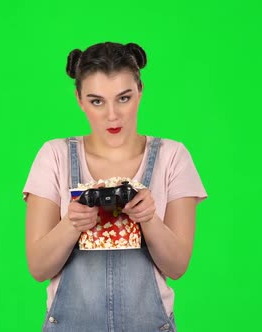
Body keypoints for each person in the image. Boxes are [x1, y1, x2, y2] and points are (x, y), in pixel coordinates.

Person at [22, 41, 207, 332]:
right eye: (97, 101)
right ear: (79, 100)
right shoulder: (54, 156)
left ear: (140, 92)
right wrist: (71, 224)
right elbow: (38, 267)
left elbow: (178, 266)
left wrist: (149, 220)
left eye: (124, 98)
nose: (112, 115)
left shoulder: (173, 157)